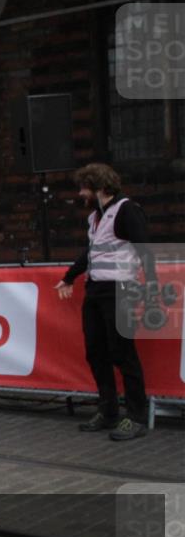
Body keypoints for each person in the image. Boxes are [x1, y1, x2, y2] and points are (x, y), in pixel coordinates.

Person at [54, 163, 156, 441]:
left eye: (84, 187)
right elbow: (91, 253)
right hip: (96, 290)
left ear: (99, 187)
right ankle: (109, 410)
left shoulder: (126, 210)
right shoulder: (96, 218)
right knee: (96, 351)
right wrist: (69, 277)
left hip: (120, 289)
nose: (80, 193)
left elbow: (145, 249)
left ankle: (135, 416)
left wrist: (151, 288)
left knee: (123, 352)